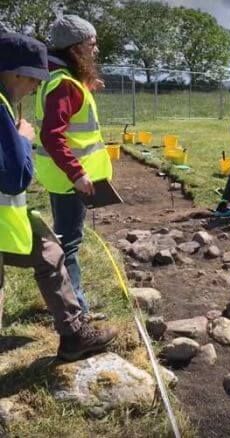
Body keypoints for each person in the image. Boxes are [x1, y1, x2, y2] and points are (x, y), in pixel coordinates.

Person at [0, 32, 116, 361]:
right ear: (17, 72)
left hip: (13, 215)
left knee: (51, 251)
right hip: (26, 206)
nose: (37, 86)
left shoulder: (11, 101)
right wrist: (22, 139)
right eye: (34, 78)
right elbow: (14, 176)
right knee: (58, 249)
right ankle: (76, 328)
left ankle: (75, 332)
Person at [34, 15, 112, 320]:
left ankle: (71, 303)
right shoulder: (64, 85)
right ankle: (76, 310)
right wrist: (77, 173)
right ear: (75, 47)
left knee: (66, 239)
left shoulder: (64, 81)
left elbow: (67, 122)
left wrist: (87, 88)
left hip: (62, 177)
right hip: (70, 180)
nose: (95, 50)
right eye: (91, 44)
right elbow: (52, 134)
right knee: (69, 244)